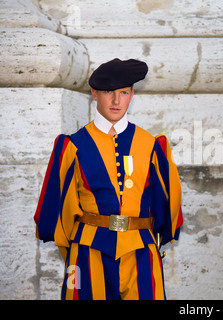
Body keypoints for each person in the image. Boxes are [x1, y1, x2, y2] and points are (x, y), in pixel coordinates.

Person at [34, 58, 183, 300]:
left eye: (123, 92)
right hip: (87, 251)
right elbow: (57, 207)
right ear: (94, 94)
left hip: (141, 251)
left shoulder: (150, 145)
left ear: (132, 95)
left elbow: (166, 203)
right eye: (108, 92)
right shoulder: (73, 145)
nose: (116, 101)